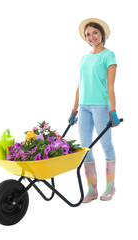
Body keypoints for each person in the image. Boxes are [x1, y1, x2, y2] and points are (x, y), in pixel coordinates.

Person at [69, 18, 120, 203]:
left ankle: (110, 186)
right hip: (83, 107)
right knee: (85, 148)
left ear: (102, 34)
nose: (92, 37)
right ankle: (91, 189)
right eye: (88, 34)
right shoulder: (84, 58)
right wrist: (74, 110)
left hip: (100, 107)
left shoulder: (109, 55)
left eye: (95, 33)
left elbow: (111, 85)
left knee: (106, 146)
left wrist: (112, 110)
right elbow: (79, 86)